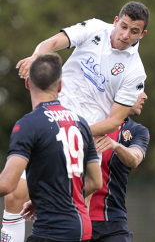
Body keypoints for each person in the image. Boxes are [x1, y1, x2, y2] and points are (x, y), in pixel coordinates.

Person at [1, 1, 150, 241]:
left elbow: (114, 122)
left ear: (142, 34)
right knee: (14, 196)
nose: (125, 35)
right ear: (115, 20)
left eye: (133, 31)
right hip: (49, 120)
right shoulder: (94, 29)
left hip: (79, 141)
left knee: (74, 213)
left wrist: (72, 129)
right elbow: (50, 44)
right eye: (123, 26)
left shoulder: (135, 71)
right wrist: (36, 56)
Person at [0, 53, 102, 242]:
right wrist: (47, 199)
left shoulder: (28, 125)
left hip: (53, 232)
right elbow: (96, 182)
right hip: (83, 230)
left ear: (28, 83)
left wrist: (51, 201)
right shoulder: (81, 123)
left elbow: (6, 185)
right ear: (60, 85)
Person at [89, 91, 150, 242]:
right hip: (77, 219)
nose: (145, 96)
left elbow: (135, 159)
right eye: (139, 89)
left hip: (112, 223)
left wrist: (117, 146)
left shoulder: (137, 131)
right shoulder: (87, 119)